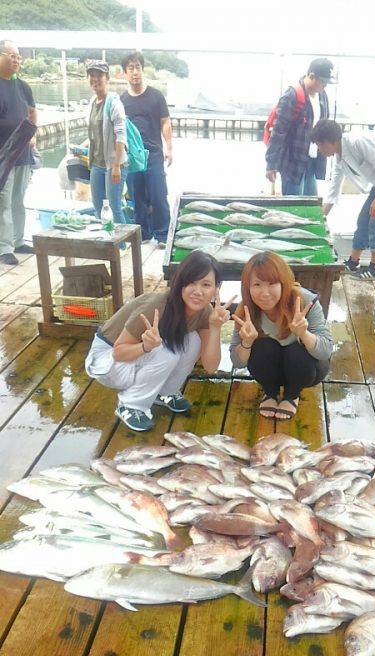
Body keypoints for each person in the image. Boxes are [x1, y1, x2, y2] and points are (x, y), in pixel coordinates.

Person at [85, 251, 232, 432]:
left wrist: (216, 328)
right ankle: (130, 405)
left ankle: (164, 392)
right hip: (105, 360)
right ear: (179, 283)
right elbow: (118, 351)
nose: (198, 291)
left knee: (193, 341)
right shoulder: (157, 306)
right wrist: (145, 346)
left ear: (216, 289)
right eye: (191, 283)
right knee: (166, 350)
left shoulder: (205, 312)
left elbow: (210, 366)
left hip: (138, 356)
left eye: (206, 284)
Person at [230, 251, 332, 421]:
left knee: (296, 351)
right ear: (247, 286)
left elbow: (325, 352)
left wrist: (304, 334)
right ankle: (270, 392)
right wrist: (246, 343)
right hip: (271, 370)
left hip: (306, 370)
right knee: (262, 347)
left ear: (284, 283)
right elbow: (237, 362)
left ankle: (292, 395)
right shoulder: (246, 310)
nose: (265, 292)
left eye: (272, 284)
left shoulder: (305, 301)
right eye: (257, 284)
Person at [311, 119, 375, 279]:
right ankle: (353, 262)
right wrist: (322, 217)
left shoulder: (357, 142)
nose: (319, 149)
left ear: (330, 142)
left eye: (319, 144)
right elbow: (334, 189)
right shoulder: (339, 157)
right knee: (364, 219)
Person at [121, 51, 172, 245]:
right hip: (132, 157)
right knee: (137, 196)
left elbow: (165, 122)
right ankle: (142, 234)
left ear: (142, 70)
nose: (135, 72)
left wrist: (169, 148)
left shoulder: (156, 96)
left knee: (158, 195)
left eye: (138, 67)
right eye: (131, 68)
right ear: (125, 73)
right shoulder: (122, 101)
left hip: (154, 154)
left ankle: (162, 234)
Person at [265, 57, 334, 196]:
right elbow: (278, 132)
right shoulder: (292, 95)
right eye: (323, 82)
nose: (325, 86)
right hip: (293, 163)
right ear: (311, 76)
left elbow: (323, 127)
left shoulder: (323, 96)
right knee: (293, 207)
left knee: (310, 204)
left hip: (313, 160)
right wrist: (271, 164)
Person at [0, 40, 37, 266]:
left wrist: (33, 136)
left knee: (18, 199)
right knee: (3, 200)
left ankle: (18, 240)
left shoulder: (23, 86)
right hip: (3, 154)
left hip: (22, 151)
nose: (16, 60)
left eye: (18, 57)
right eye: (12, 55)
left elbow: (32, 112)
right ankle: (4, 247)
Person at [86, 61, 128, 225]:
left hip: (114, 165)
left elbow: (120, 135)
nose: (95, 79)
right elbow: (96, 133)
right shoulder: (91, 102)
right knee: (97, 206)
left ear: (107, 78)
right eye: (92, 75)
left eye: (99, 75)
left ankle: (123, 246)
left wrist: (117, 165)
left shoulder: (114, 103)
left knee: (113, 207)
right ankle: (104, 243)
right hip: (97, 163)